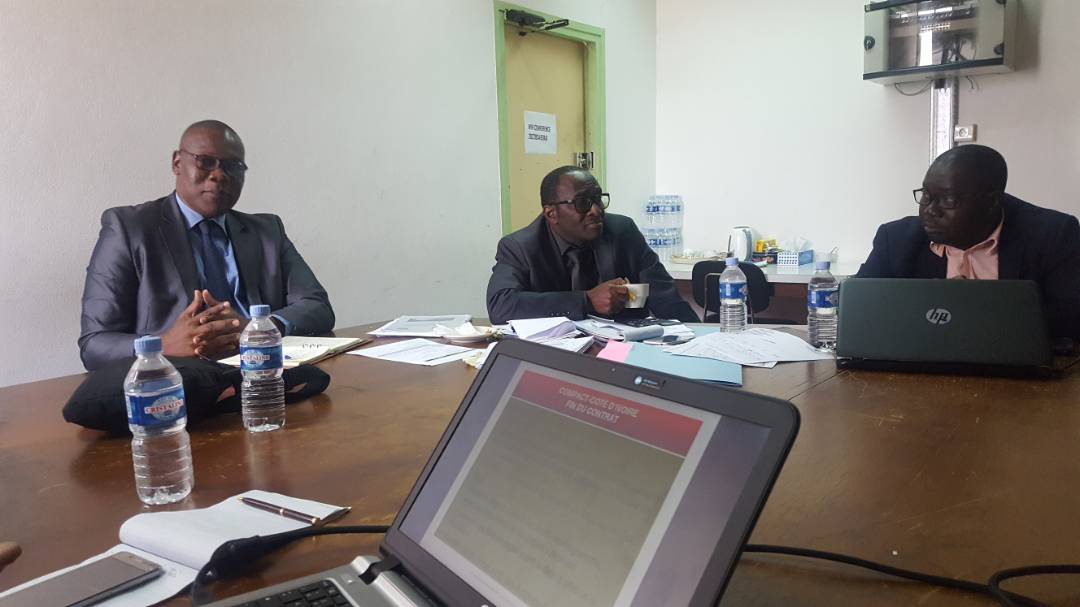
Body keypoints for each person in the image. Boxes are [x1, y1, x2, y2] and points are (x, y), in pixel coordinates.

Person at [79, 120, 334, 370]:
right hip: (175, 382)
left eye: (233, 166)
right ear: (177, 163)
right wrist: (161, 345)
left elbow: (317, 306)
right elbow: (94, 344)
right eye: (205, 162)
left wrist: (258, 329)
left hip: (264, 373)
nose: (219, 175)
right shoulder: (128, 228)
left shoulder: (267, 231)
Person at [856, 144, 1080, 339]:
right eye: (926, 196)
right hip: (919, 361)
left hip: (1013, 366)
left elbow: (1070, 317)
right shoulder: (896, 239)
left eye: (948, 200)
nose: (930, 210)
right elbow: (858, 305)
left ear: (991, 202)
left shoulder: (1052, 235)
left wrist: (973, 311)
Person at [487, 166, 698, 324]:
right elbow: (501, 306)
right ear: (551, 213)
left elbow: (663, 297)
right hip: (553, 353)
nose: (595, 210)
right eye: (582, 203)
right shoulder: (520, 247)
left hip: (620, 349)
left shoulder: (622, 231)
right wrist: (586, 300)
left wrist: (699, 339)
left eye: (597, 199)